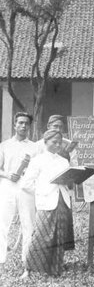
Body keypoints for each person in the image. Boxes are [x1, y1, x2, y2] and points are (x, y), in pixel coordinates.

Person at [19, 130, 72, 277]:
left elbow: (67, 181)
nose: (57, 145)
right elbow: (25, 184)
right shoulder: (38, 160)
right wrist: (41, 191)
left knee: (59, 235)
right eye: (53, 142)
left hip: (62, 200)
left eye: (59, 142)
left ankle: (55, 269)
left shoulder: (63, 161)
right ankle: (28, 270)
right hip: (46, 200)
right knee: (41, 235)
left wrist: (72, 180)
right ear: (45, 142)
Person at [0, 112, 38, 264]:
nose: (23, 126)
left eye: (26, 123)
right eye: (20, 123)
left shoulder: (34, 147)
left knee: (28, 223)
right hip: (8, 186)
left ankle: (27, 260)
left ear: (29, 126)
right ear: (14, 125)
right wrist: (8, 175)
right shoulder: (4, 145)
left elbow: (38, 169)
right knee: (2, 222)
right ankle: (1, 258)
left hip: (26, 187)